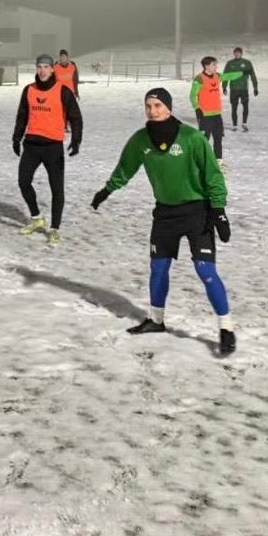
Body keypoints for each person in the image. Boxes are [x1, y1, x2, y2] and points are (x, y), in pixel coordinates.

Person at [90, 87, 235, 356]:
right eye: (148, 106)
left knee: (205, 271)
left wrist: (219, 211)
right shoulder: (140, 140)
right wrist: (107, 190)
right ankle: (156, 321)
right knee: (158, 268)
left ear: (168, 107)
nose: (152, 111)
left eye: (157, 105)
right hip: (165, 214)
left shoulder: (192, 138)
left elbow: (214, 176)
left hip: (196, 213)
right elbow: (125, 168)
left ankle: (226, 328)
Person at [13, 53, 83, 247]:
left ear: (52, 69)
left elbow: (76, 118)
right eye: (39, 67)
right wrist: (16, 139)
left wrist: (76, 140)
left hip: (53, 147)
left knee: (57, 190)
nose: (42, 70)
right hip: (32, 146)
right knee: (23, 181)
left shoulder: (63, 92)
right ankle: (36, 218)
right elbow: (22, 116)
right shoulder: (29, 90)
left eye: (46, 67)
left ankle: (54, 229)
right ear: (36, 69)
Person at [190, 56, 244, 162]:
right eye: (213, 64)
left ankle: (219, 162)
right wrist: (197, 108)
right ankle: (200, 162)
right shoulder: (199, 79)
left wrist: (241, 73)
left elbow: (228, 76)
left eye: (216, 64)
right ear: (206, 66)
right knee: (204, 141)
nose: (216, 67)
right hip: (205, 115)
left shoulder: (217, 76)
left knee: (218, 140)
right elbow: (192, 95)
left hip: (217, 115)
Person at [222, 46, 259, 132]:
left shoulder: (247, 63)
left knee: (245, 106)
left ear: (241, 54)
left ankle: (244, 123)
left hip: (243, 89)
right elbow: (225, 75)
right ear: (233, 54)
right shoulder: (230, 63)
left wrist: (255, 87)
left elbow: (252, 75)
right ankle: (234, 125)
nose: (237, 54)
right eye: (235, 53)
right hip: (234, 89)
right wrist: (224, 87)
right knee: (234, 107)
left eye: (238, 53)